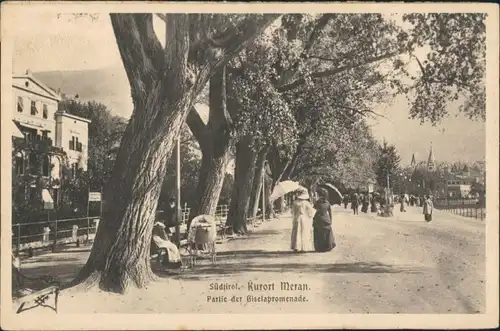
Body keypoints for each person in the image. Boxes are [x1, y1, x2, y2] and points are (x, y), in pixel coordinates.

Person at [313, 188, 336, 252]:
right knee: (327, 234)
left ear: (320, 195)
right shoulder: (327, 203)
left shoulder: (317, 203)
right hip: (326, 219)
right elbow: (330, 212)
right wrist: (330, 220)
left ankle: (320, 247)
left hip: (318, 219)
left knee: (318, 234)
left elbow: (314, 211)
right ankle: (327, 246)